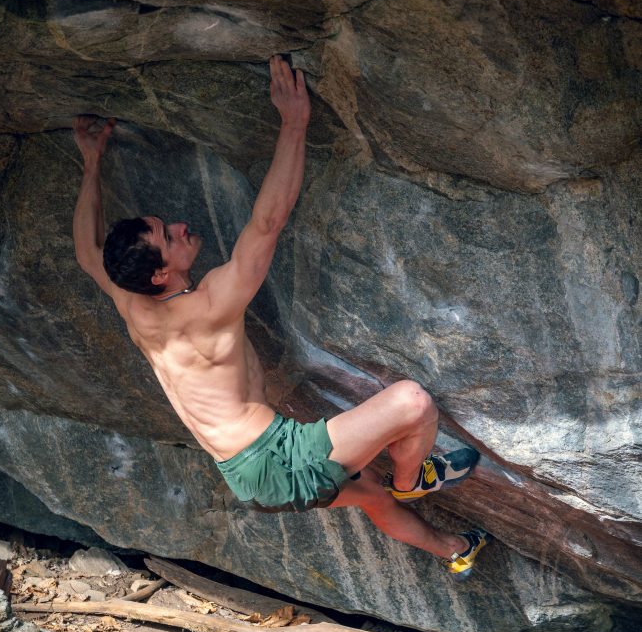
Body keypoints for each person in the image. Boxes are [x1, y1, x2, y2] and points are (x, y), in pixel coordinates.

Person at [73, 56, 489, 580]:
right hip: (276, 461)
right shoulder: (207, 306)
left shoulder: (131, 301)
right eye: (169, 237)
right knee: (413, 402)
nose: (180, 227)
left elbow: (88, 251)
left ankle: (457, 549)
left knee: (371, 498)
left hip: (244, 477)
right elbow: (266, 223)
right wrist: (294, 123)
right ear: (159, 274)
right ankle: (413, 477)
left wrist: (91, 164)